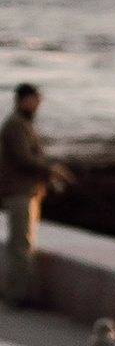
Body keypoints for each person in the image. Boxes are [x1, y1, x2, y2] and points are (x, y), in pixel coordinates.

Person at [2, 83, 65, 310]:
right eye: (34, 99)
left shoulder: (21, 124)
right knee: (21, 245)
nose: (37, 104)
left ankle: (18, 292)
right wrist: (49, 169)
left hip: (26, 191)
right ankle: (19, 295)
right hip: (20, 192)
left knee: (21, 243)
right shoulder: (15, 125)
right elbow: (23, 158)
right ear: (23, 99)